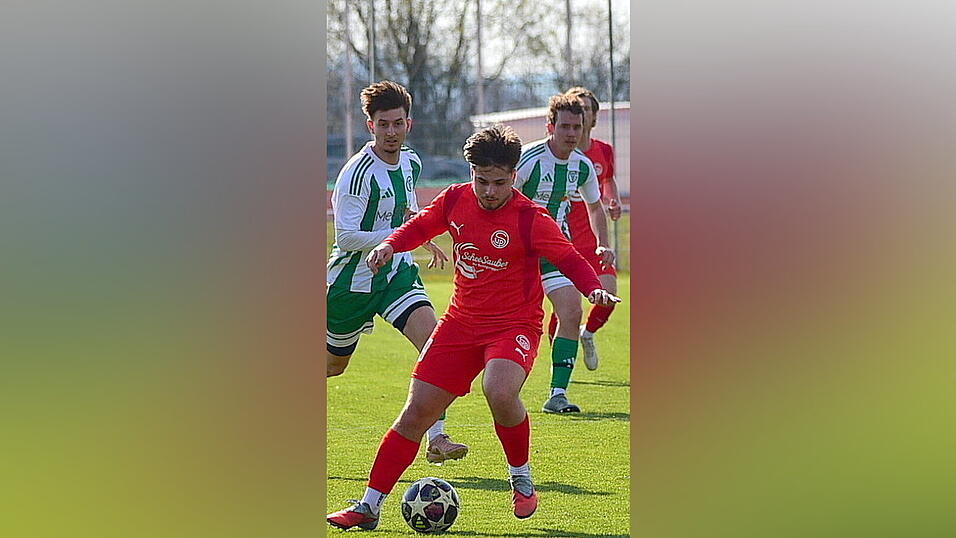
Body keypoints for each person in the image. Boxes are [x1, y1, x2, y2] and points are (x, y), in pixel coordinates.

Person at [326, 125, 621, 531]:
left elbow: (569, 258)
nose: (489, 190)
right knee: (415, 414)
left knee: (499, 390)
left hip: (513, 324)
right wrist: (391, 244)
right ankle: (368, 506)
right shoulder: (454, 200)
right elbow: (421, 227)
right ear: (471, 173)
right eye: (481, 180)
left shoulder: (530, 218)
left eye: (499, 182)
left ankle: (521, 478)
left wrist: (592, 288)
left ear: (513, 177)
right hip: (460, 324)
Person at [326, 80, 467, 463]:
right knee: (333, 366)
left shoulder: (411, 162)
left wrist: (421, 237)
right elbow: (347, 237)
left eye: (398, 123)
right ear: (370, 125)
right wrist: (397, 236)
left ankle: (436, 437)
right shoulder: (357, 173)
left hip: (396, 276)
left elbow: (404, 213)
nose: (391, 131)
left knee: (436, 347)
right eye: (383, 124)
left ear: (410, 124)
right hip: (351, 283)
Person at [514, 94, 615, 414]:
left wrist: (603, 243)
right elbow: (502, 199)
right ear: (550, 127)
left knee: (571, 312)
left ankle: (557, 394)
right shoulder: (529, 160)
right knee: (512, 320)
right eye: (565, 127)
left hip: (557, 249)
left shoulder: (582, 165)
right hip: (518, 252)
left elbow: (595, 207)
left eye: (577, 127)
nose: (572, 133)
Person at [549, 86, 622, 371]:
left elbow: (608, 184)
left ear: (592, 118)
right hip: (565, 240)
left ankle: (587, 334)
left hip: (592, 240)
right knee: (564, 308)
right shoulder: (551, 156)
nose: (582, 118)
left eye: (587, 111)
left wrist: (612, 200)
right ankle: (559, 372)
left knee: (608, 296)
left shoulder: (602, 152)